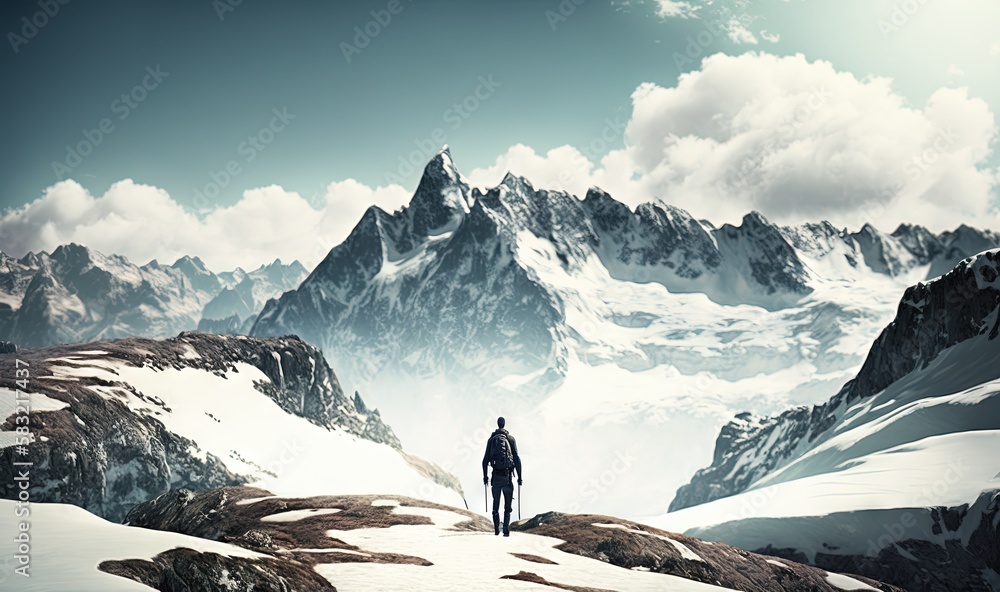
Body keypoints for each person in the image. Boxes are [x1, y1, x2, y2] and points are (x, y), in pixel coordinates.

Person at [482, 416, 522, 537]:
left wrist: (485, 477)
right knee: (507, 506)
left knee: (496, 504)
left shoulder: (491, 440)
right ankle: (506, 529)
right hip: (507, 477)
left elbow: (484, 461)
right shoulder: (511, 439)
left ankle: (496, 529)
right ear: (504, 425)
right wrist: (520, 477)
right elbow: (517, 459)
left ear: (497, 424)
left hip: (496, 477)